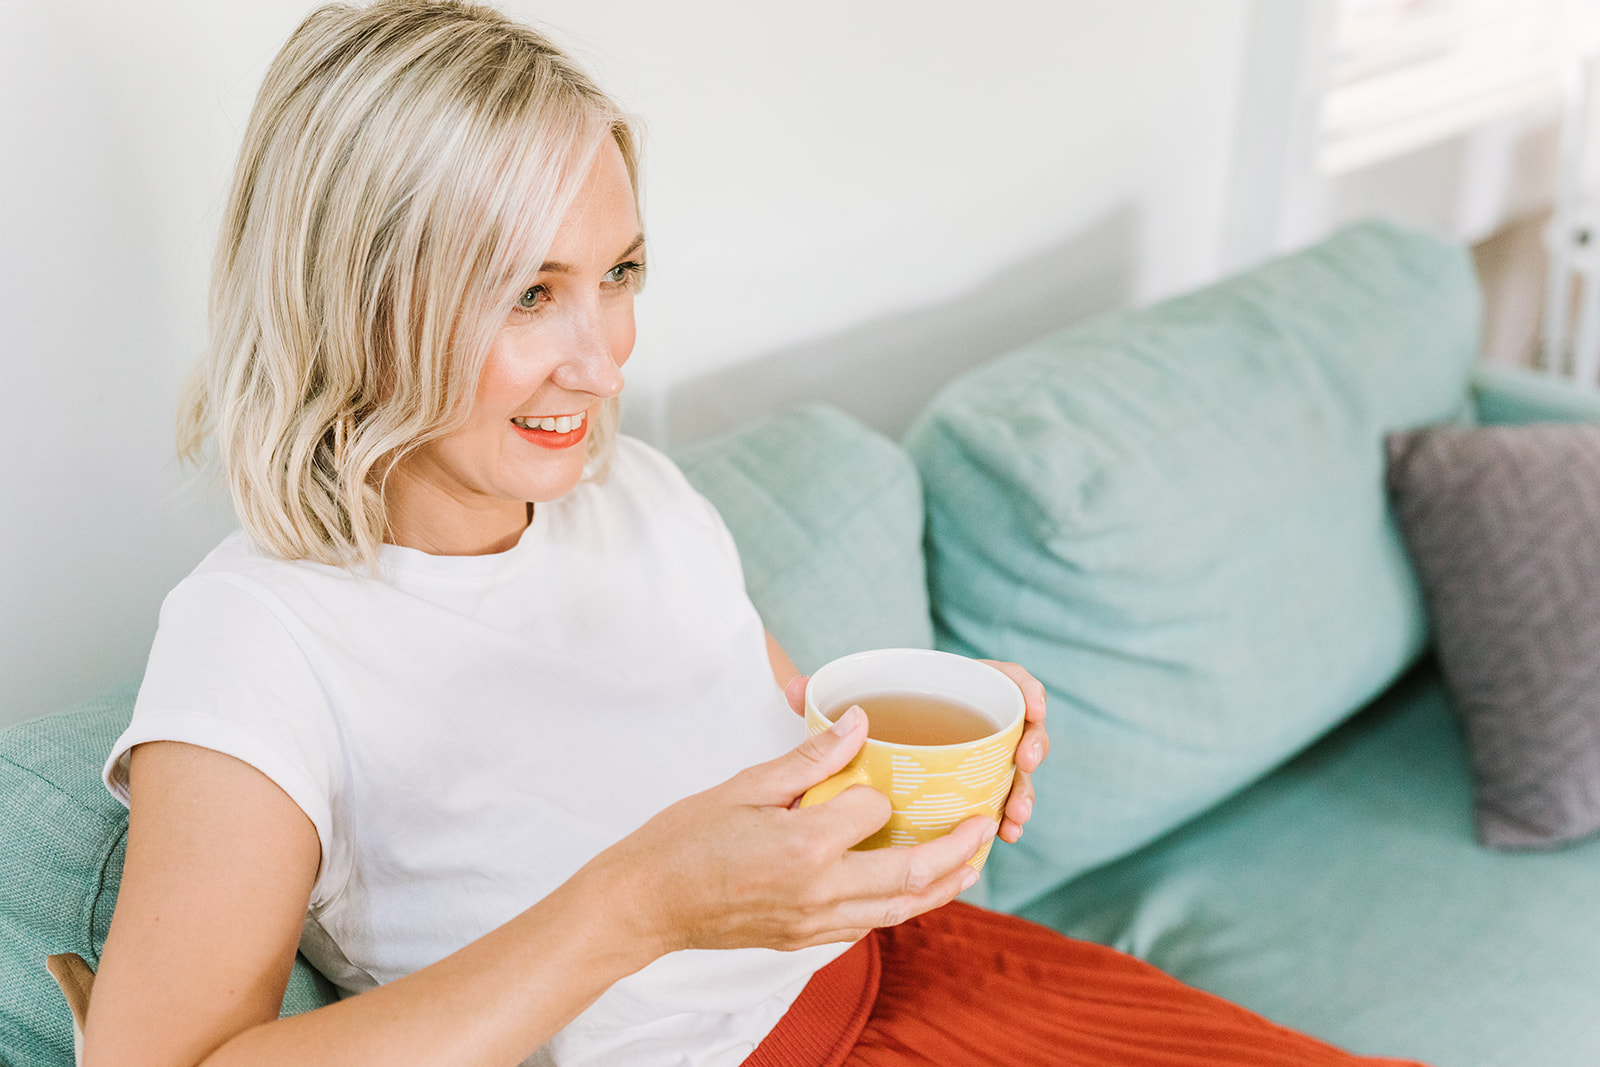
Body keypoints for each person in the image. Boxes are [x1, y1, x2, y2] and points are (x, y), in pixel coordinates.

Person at [83, 4, 1429, 1065]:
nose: (601, 359)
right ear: (353, 297)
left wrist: (926, 778)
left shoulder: (637, 495)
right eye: (527, 292)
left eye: (616, 275)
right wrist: (634, 909)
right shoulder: (260, 636)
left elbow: (791, 757)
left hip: (937, 973)